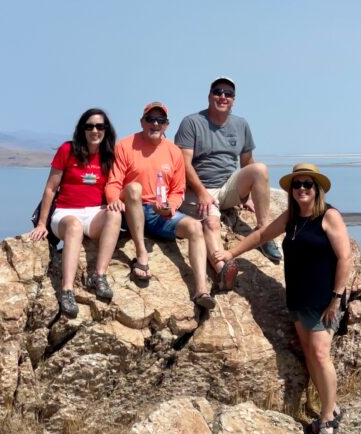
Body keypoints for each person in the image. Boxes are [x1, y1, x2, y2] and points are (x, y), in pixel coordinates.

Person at [213, 163, 353, 434]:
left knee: (320, 353)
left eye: (308, 184)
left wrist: (336, 298)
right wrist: (231, 252)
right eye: (297, 184)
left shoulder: (329, 216)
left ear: (317, 189)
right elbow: (262, 236)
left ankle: (327, 418)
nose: (302, 189)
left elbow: (345, 257)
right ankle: (331, 407)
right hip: (299, 297)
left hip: (324, 299)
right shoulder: (292, 217)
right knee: (310, 355)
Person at [105, 102, 216, 310]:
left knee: (195, 227)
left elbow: (178, 190)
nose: (155, 124)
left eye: (160, 120)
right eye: (150, 119)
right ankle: (141, 253)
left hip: (158, 214)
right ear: (142, 121)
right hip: (131, 210)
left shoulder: (173, 152)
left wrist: (170, 208)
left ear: (167, 125)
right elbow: (113, 182)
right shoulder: (125, 146)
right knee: (134, 189)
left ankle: (201, 289)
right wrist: (113, 201)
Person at [175, 76, 282, 292]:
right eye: (218, 92)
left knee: (260, 169)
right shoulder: (192, 122)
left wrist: (250, 195)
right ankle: (223, 270)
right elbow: (183, 164)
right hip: (199, 189)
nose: (222, 97)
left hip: (226, 188)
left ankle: (263, 233)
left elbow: (247, 163)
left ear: (234, 100)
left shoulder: (241, 125)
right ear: (209, 96)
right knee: (212, 224)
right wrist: (202, 193)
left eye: (228, 94)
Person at [29, 108, 122, 318]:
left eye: (100, 126)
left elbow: (116, 186)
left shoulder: (109, 155)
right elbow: (51, 188)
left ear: (106, 130)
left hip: (95, 213)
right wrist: (42, 224)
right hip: (65, 213)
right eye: (89, 126)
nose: (94, 130)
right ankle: (67, 290)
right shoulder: (67, 150)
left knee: (115, 215)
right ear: (82, 129)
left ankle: (99, 276)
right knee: (74, 226)